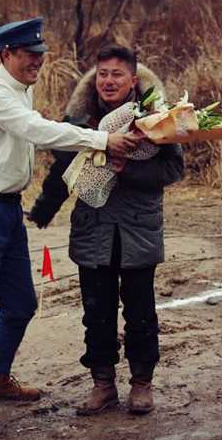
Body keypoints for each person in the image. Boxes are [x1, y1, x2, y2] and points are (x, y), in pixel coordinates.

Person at [0, 19, 140, 434]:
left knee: (20, 305)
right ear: (6, 55)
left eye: (40, 55)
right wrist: (101, 140)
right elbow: (36, 130)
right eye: (29, 55)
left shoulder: (21, 88)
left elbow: (36, 133)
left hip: (6, 211)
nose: (37, 62)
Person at [28, 44, 184, 415]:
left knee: (141, 313)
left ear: (133, 79)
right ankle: (103, 385)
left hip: (138, 232)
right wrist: (42, 211)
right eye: (102, 74)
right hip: (92, 232)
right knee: (96, 314)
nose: (108, 81)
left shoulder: (157, 119)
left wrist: (125, 169)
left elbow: (172, 171)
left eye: (117, 74)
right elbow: (61, 171)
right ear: (94, 78)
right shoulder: (80, 121)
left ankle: (142, 385)